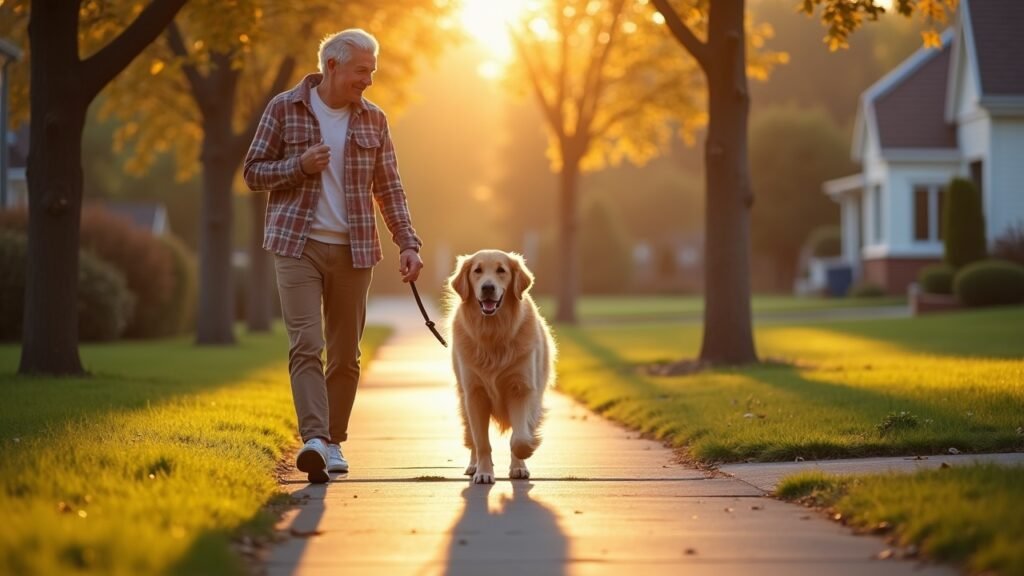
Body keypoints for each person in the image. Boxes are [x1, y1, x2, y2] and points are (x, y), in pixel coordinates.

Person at [243, 28, 423, 483]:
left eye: (372, 72)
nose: (368, 81)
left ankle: (334, 442)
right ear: (332, 66)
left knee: (345, 355)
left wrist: (408, 242)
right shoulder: (284, 108)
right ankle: (315, 441)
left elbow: (389, 188)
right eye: (362, 71)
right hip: (296, 245)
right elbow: (252, 172)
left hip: (354, 250)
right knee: (307, 345)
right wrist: (298, 166)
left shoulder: (374, 120)